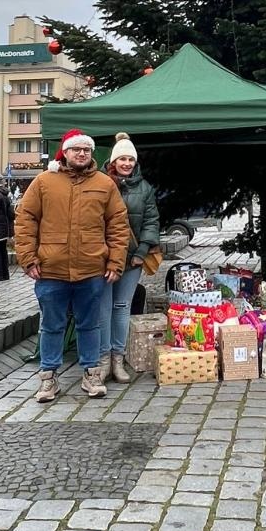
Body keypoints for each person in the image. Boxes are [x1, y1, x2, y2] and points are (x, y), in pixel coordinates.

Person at [15, 129, 131, 403]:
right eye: (76, 149)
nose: (82, 154)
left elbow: (118, 225)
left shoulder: (105, 184)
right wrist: (28, 258)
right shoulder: (44, 182)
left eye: (86, 150)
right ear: (65, 152)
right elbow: (25, 220)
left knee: (90, 325)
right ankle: (48, 378)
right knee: (51, 325)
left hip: (91, 269)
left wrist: (115, 261)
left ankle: (92, 374)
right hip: (50, 270)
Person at [98, 133, 160, 385]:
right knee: (103, 309)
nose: (126, 163)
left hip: (132, 258)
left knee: (122, 307)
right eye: (122, 158)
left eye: (130, 159)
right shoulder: (101, 183)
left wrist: (142, 251)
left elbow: (151, 221)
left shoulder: (144, 189)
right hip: (103, 258)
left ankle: (117, 358)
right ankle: (102, 360)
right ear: (114, 160)